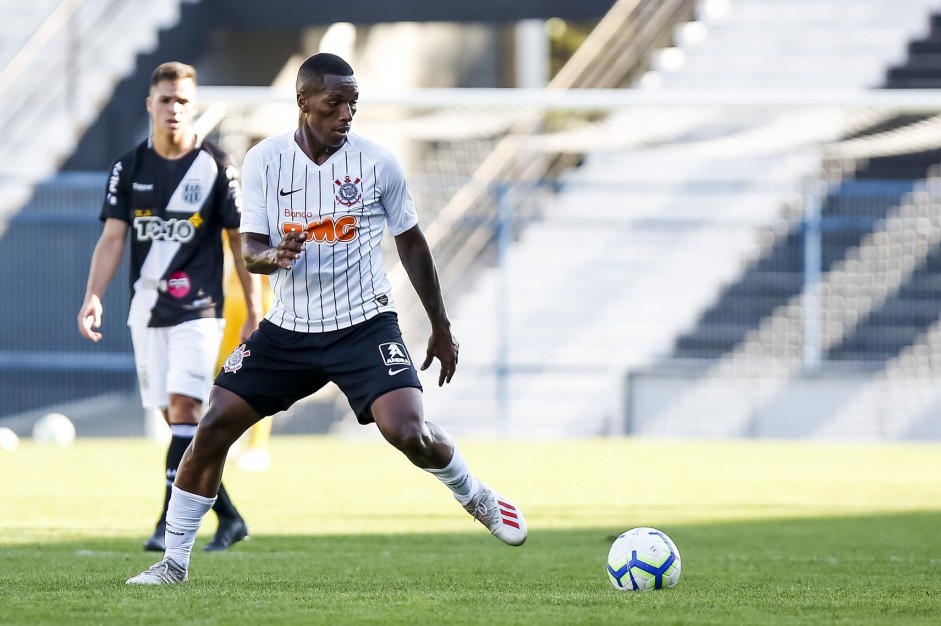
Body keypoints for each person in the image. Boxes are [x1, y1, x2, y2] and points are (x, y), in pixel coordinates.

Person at [126, 52, 527, 585]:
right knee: (213, 427)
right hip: (289, 331)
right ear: (303, 103)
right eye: (334, 103)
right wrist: (277, 254)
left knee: (406, 430)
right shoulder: (265, 160)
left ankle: (474, 494)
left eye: (352, 104)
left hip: (365, 325)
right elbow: (251, 251)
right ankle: (173, 564)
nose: (345, 114)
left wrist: (441, 325)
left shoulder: (378, 163)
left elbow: (411, 243)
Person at [78, 61, 262, 554]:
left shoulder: (217, 166)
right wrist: (93, 295)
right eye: (165, 99)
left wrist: (255, 311)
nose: (174, 109)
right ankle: (230, 517)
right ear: (150, 105)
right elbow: (112, 238)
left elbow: (240, 243)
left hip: (199, 311)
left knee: (186, 410)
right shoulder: (128, 167)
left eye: (182, 100)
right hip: (145, 311)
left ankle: (168, 525)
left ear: (193, 105)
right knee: (180, 426)